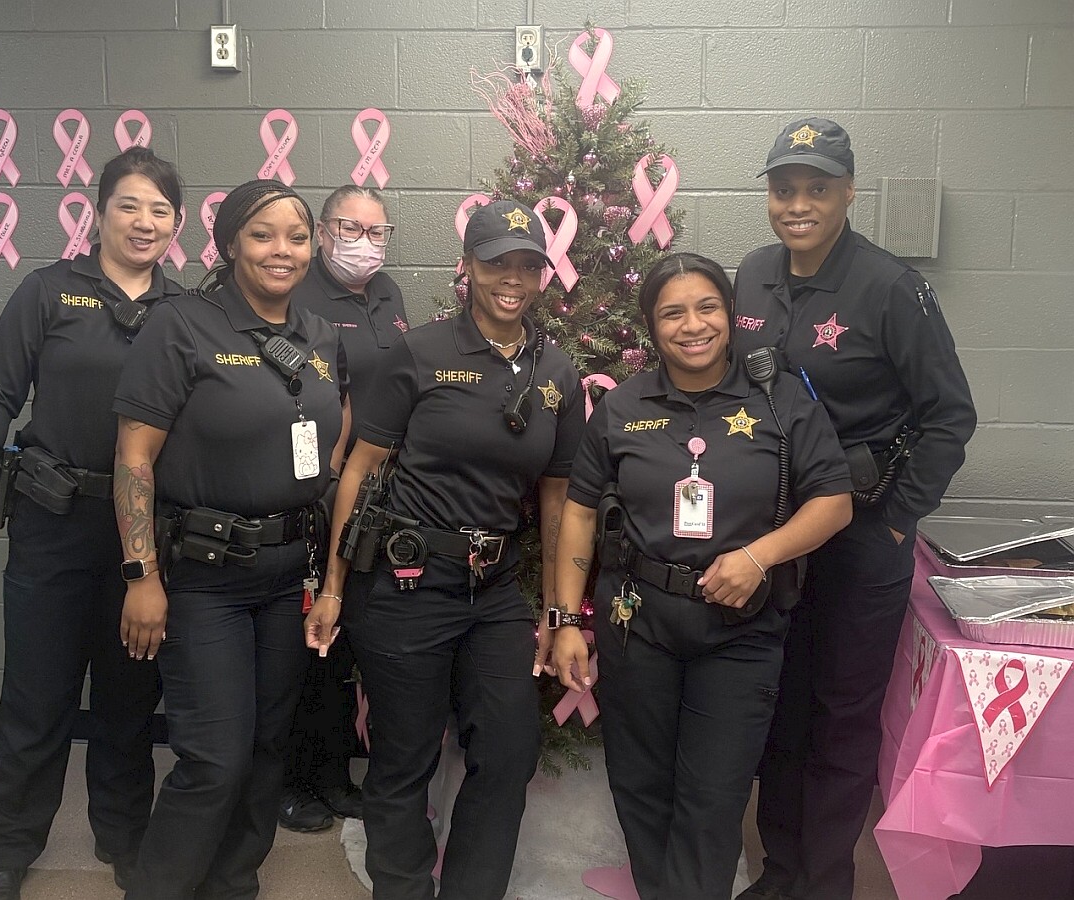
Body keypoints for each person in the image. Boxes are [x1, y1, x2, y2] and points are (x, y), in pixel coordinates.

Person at [304, 199, 585, 900]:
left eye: (527, 265)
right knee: (404, 758)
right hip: (406, 583)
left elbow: (557, 501)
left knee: (510, 750)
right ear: (467, 268)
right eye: (496, 263)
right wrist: (333, 586)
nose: (512, 279)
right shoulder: (421, 352)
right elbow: (359, 470)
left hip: (493, 590)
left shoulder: (557, 371)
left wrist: (559, 613)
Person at [550, 253, 853, 900]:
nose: (693, 325)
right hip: (637, 625)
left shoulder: (779, 401)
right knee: (640, 787)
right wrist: (566, 619)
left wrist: (759, 556)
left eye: (707, 307)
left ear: (730, 313)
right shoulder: (623, 407)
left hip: (739, 631)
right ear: (651, 327)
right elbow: (578, 511)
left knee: (712, 799)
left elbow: (834, 501)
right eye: (673, 313)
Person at [731, 118, 977, 900]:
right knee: (781, 704)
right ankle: (778, 872)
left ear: (848, 193)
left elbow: (950, 415)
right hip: (778, 532)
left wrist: (899, 517)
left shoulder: (890, 287)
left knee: (841, 713)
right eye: (784, 189)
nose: (797, 204)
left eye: (817, 188)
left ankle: (824, 881)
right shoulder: (752, 275)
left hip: (863, 537)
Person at [0, 147, 182, 900]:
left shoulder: (184, 312)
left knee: (128, 699)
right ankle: (7, 849)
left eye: (159, 210)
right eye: (128, 205)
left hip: (141, 537)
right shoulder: (48, 291)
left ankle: (124, 838)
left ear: (176, 223)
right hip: (53, 524)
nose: (143, 222)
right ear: (98, 211)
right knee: (37, 696)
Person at [111, 178, 347, 900]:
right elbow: (134, 457)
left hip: (288, 574)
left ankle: (232, 883)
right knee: (214, 759)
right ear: (231, 243)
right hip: (203, 577)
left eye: (297, 237)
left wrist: (329, 581)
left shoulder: (320, 335)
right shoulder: (181, 325)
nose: (283, 250)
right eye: (263, 234)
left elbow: (329, 454)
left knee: (268, 746)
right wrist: (140, 574)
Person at [279, 185, 408, 832]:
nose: (365, 243)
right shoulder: (298, 294)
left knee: (346, 636)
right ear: (324, 231)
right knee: (305, 643)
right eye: (351, 229)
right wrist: (326, 475)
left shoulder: (389, 294)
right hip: (320, 484)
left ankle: (333, 775)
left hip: (379, 492)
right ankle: (290, 780)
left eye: (378, 232)